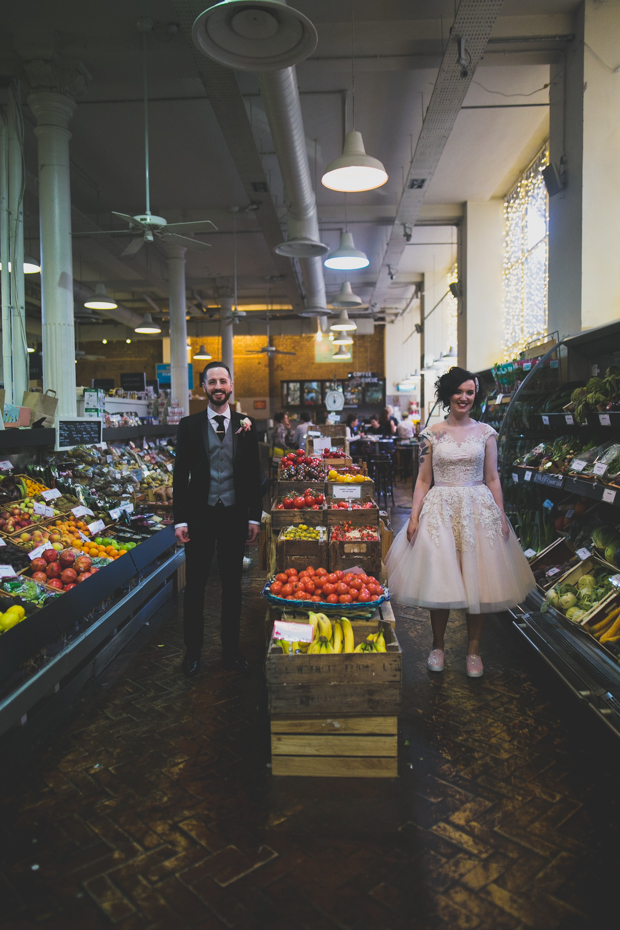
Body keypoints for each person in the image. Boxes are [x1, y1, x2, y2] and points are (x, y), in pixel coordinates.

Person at [385, 366, 535, 678]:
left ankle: (474, 651)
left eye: (470, 392)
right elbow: (423, 480)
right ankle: (437, 646)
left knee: (477, 582)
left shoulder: (486, 433)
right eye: (459, 391)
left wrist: (502, 514)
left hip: (477, 512)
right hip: (439, 510)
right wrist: (413, 518)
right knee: (440, 579)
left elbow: (493, 477)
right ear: (448, 394)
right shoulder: (433, 434)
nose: (464, 397)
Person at [173, 362, 263, 678]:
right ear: (204, 388)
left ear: (231, 385)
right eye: (212, 381)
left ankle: (231, 650)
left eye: (222, 380)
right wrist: (179, 519)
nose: (218, 386)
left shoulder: (247, 424)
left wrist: (255, 517)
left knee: (232, 587)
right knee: (195, 587)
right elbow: (179, 475)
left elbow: (255, 475)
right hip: (199, 516)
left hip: (234, 516)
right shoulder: (188, 425)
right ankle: (193, 653)